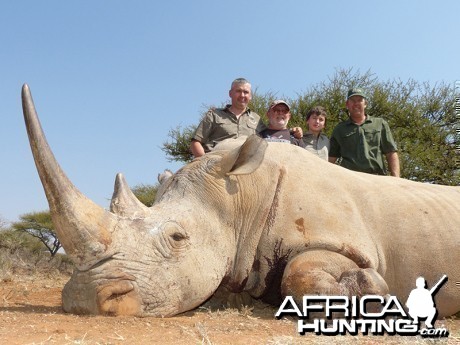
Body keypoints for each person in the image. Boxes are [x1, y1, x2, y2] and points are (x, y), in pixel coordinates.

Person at [190, 78, 302, 158]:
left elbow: (273, 131)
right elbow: (196, 142)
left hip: (244, 167)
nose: (242, 95)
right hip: (216, 163)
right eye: (238, 91)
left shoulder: (257, 119)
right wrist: (205, 162)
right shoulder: (214, 115)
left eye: (246, 92)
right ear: (230, 94)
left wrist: (293, 131)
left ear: (250, 96)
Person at [328, 88, 400, 177]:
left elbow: (391, 152)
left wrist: (396, 179)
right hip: (349, 179)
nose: (356, 103)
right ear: (347, 104)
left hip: (377, 178)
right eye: (352, 100)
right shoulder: (339, 129)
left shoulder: (380, 123)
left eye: (359, 100)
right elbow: (331, 158)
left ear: (365, 103)